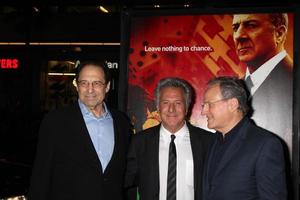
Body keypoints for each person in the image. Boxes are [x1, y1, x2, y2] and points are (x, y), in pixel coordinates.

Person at [28, 61, 132, 200]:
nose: (90, 89)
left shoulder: (122, 122)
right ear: (77, 86)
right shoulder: (55, 122)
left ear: (107, 86)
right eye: (84, 83)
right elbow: (41, 175)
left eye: (96, 83)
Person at [125, 77, 213, 200]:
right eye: (165, 103)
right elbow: (125, 182)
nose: (171, 109)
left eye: (178, 103)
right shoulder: (140, 142)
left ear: (187, 107)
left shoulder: (208, 142)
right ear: (158, 106)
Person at [201, 76, 287, 200]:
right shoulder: (212, 141)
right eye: (204, 105)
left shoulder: (265, 144)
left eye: (209, 104)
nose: (204, 111)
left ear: (232, 104)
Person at [232, 13, 293, 152]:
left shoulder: (293, 83)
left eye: (251, 26)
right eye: (235, 28)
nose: (238, 36)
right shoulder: (237, 87)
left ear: (279, 33)